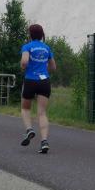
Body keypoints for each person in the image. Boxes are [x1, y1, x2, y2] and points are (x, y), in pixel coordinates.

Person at [19, 24, 56, 154]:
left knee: (25, 108)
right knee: (42, 113)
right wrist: (44, 69)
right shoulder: (47, 48)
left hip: (30, 80)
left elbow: (24, 62)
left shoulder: (27, 47)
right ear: (42, 35)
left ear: (30, 34)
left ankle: (29, 130)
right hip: (44, 81)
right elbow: (53, 67)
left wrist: (23, 67)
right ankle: (44, 142)